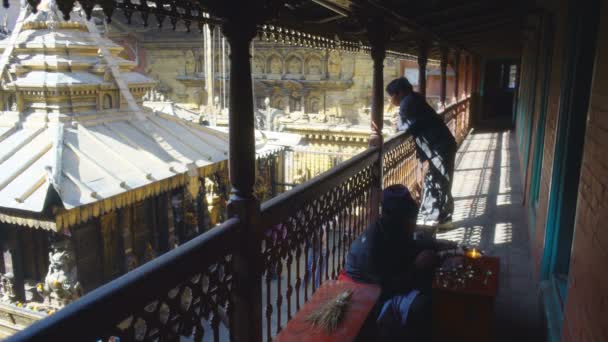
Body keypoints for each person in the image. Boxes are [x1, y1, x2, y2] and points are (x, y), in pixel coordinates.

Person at [341, 184, 460, 340]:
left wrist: (439, 246)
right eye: (410, 221)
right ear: (397, 220)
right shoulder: (372, 246)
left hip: (388, 281)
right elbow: (388, 288)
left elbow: (410, 245)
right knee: (423, 304)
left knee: (437, 279)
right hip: (369, 295)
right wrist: (416, 268)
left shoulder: (393, 229)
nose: (413, 225)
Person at [387, 77, 458, 226]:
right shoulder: (415, 98)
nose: (390, 100)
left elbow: (404, 127)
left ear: (398, 93)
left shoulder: (407, 103)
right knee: (440, 180)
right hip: (443, 144)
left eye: (391, 96)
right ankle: (443, 217)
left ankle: (436, 219)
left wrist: (397, 122)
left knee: (438, 181)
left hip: (439, 147)